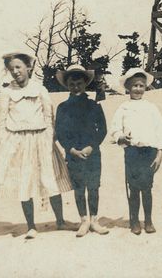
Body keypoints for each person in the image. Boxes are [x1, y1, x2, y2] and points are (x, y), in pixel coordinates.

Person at [0, 52, 74, 239]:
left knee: (49, 179)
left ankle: (60, 220)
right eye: (11, 69)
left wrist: (48, 138)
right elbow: (1, 120)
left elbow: (48, 115)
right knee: (25, 183)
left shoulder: (40, 89)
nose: (15, 71)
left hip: (41, 139)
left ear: (28, 67)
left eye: (19, 67)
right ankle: (31, 226)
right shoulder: (6, 92)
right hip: (19, 142)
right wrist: (5, 142)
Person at [110, 68, 162, 235]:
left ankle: (148, 220)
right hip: (132, 152)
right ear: (128, 87)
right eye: (134, 85)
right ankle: (134, 221)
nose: (138, 89)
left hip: (149, 152)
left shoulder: (151, 107)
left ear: (146, 88)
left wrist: (160, 152)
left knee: (147, 188)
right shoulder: (123, 107)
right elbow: (114, 128)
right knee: (133, 188)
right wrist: (121, 137)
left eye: (141, 85)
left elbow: (160, 130)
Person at [54, 64, 109, 238]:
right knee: (79, 188)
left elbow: (103, 129)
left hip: (93, 153)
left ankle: (94, 219)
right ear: (67, 85)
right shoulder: (62, 108)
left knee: (93, 187)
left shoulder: (94, 105)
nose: (76, 87)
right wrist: (71, 150)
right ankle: (83, 220)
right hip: (74, 155)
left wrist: (91, 146)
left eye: (79, 83)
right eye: (72, 84)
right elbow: (60, 132)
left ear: (85, 84)